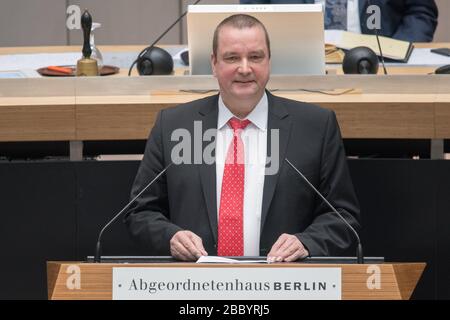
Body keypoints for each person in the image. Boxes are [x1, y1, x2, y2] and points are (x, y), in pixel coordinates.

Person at [125, 14, 360, 262]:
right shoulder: (173, 126)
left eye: (256, 57)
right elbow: (140, 212)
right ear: (214, 63)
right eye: (232, 58)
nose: (245, 69)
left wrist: (306, 242)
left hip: (283, 285)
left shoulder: (316, 126)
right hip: (195, 286)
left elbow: (343, 216)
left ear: (269, 61)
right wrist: (170, 237)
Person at [240, 0, 438, 42]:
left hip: (379, 66)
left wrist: (399, 52)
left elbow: (420, 11)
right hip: (298, 71)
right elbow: (253, 13)